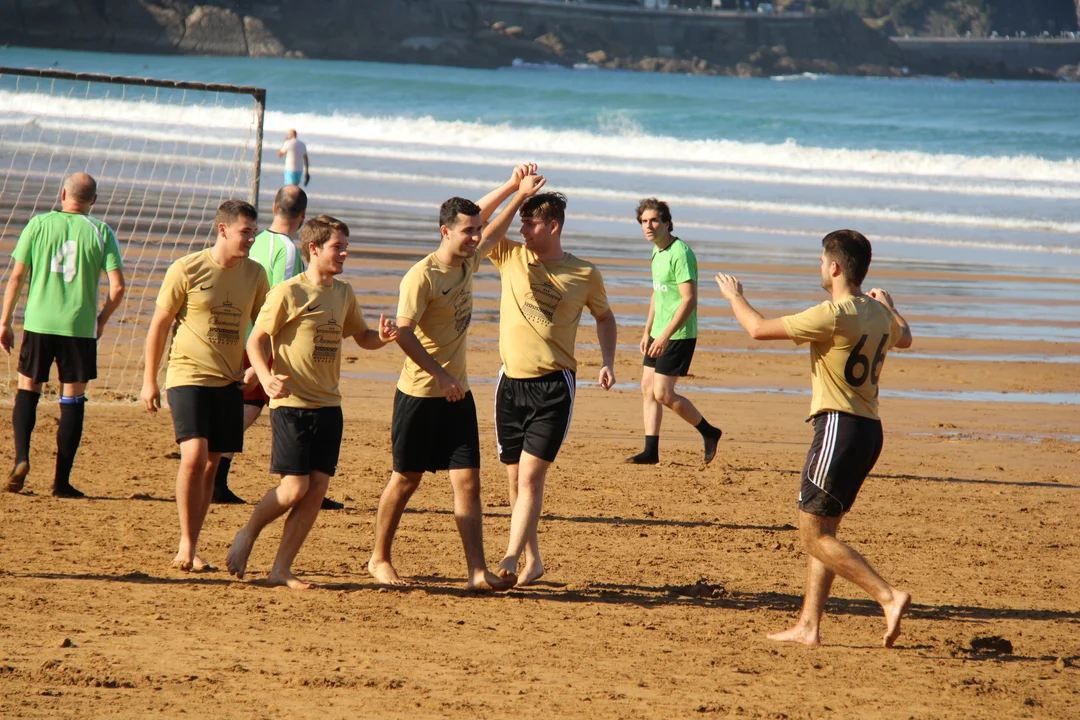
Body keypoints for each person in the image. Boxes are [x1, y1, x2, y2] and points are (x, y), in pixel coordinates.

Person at [715, 229, 913, 648]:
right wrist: (892, 307)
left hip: (839, 428)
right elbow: (906, 338)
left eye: (822, 262)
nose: (819, 267)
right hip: (868, 431)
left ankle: (888, 596)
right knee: (826, 531)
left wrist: (734, 296)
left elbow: (757, 329)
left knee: (812, 535)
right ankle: (809, 625)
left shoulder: (834, 313)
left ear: (835, 267)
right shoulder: (879, 314)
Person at [367, 164, 543, 592]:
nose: (476, 237)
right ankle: (379, 558)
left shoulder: (468, 261)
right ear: (445, 232)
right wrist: (440, 374)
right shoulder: (422, 276)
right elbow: (403, 333)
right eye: (467, 231)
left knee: (468, 481)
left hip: (456, 395)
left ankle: (476, 572)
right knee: (405, 480)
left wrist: (515, 190)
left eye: (476, 230)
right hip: (419, 394)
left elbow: (491, 227)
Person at [226, 215, 397, 589]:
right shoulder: (289, 292)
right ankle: (248, 532)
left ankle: (281, 569)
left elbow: (362, 336)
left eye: (345, 247)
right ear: (314, 248)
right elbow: (256, 341)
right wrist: (265, 377)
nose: (344, 253)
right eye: (338, 247)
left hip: (329, 406)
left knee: (316, 490)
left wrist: (383, 338)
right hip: (292, 403)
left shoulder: (344, 293)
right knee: (293, 489)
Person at [482, 189, 618, 586]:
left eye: (531, 223)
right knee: (514, 479)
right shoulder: (509, 254)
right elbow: (475, 224)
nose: (522, 229)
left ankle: (509, 557)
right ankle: (533, 560)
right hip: (510, 383)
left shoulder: (584, 273)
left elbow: (605, 318)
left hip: (554, 385)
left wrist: (608, 362)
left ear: (553, 226)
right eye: (521, 222)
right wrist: (515, 190)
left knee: (530, 478)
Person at [140, 200, 270, 571]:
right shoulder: (187, 268)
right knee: (195, 456)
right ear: (223, 229)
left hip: (229, 382)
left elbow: (266, 328)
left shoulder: (256, 274)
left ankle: (193, 546)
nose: (251, 238)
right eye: (245, 232)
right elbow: (159, 326)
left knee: (212, 465)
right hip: (187, 376)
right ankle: (184, 544)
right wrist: (149, 381)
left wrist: (257, 371)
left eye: (254, 232)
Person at [211, 184, 348, 511]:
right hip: (263, 340)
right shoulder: (287, 249)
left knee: (246, 403)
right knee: (253, 404)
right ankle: (216, 470)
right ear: (303, 215)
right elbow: (283, 303)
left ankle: (217, 472)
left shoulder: (253, 239)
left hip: (236, 333)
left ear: (274, 207)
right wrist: (266, 360)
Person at [1, 172, 125, 498]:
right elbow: (118, 288)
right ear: (93, 200)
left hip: (39, 323)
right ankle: (61, 481)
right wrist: (101, 320)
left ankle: (22, 459)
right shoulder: (101, 231)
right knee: (72, 399)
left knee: (28, 389)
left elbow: (16, 277)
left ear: (63, 194)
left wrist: (5, 322)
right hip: (78, 327)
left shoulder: (38, 224)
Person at [627, 198, 722, 466]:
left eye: (654, 220)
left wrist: (665, 335)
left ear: (667, 223)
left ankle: (709, 431)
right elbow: (657, 294)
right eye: (644, 222)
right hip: (658, 332)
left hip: (678, 334)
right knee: (647, 388)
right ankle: (650, 451)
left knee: (663, 394)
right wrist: (647, 331)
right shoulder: (656, 251)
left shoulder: (680, 253)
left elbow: (688, 300)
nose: (649, 226)